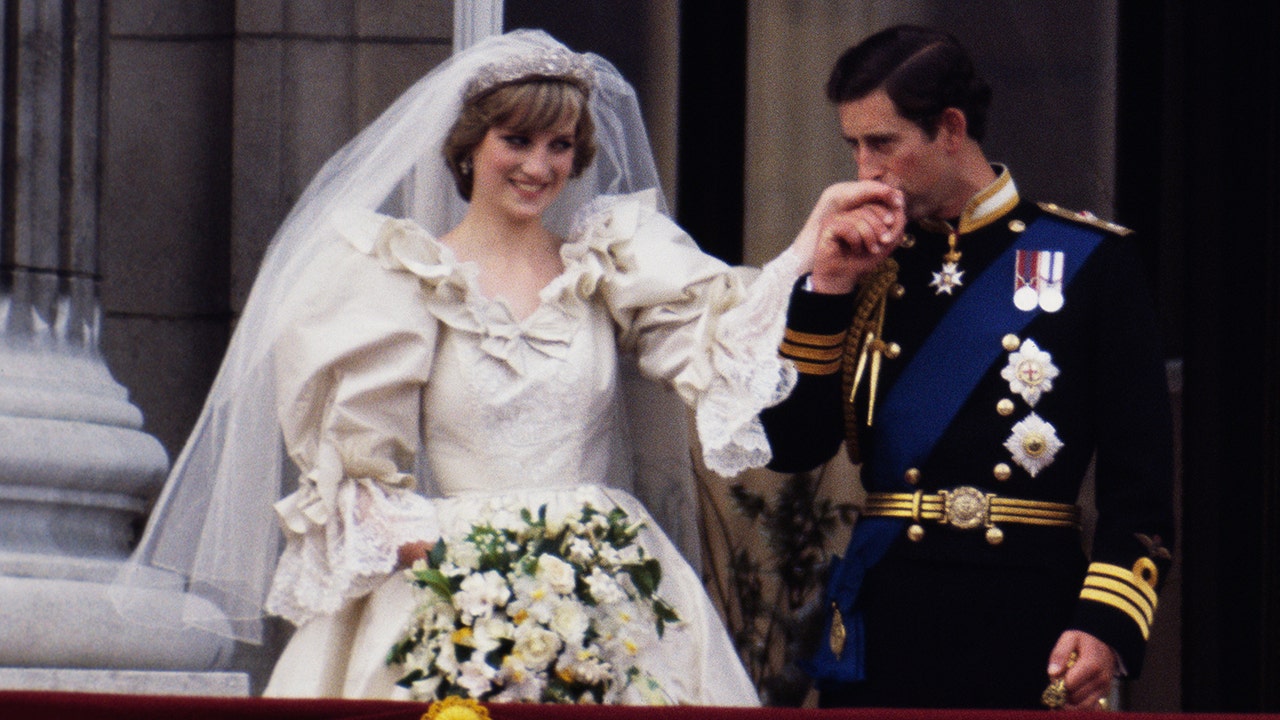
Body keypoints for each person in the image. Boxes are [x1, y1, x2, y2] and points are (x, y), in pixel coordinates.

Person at [111, 29, 888, 704]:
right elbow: (358, 480)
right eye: (515, 141)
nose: (539, 166)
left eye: (559, 146)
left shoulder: (610, 263)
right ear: (469, 146)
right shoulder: (398, 278)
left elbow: (722, 347)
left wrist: (805, 259)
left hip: (608, 584)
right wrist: (482, 585)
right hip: (449, 587)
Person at [759, 24, 1175, 710]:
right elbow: (790, 446)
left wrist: (1104, 623)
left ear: (950, 128)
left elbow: (1142, 483)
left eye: (882, 143)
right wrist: (826, 291)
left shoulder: (1091, 262)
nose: (864, 170)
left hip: (1027, 617)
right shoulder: (862, 263)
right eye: (854, 146)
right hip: (887, 618)